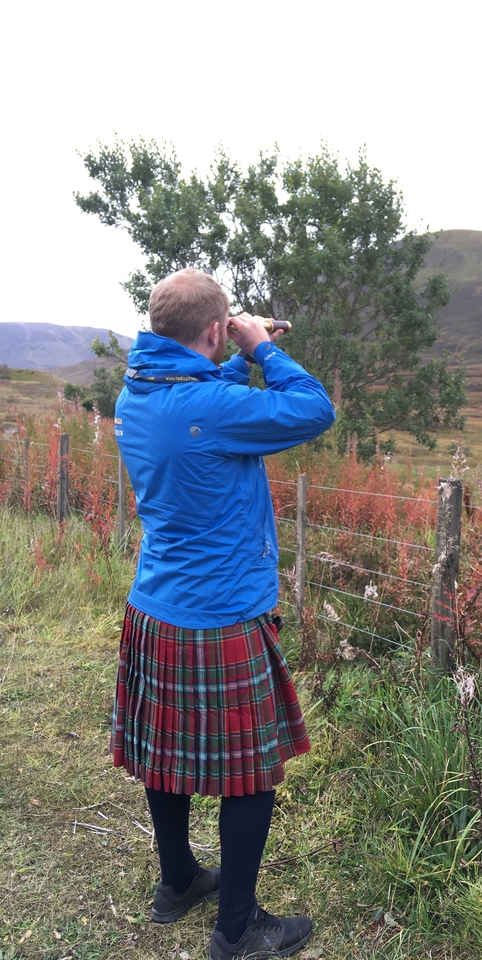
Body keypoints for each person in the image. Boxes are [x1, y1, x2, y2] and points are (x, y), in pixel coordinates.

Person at [110, 267, 335, 960]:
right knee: (250, 773)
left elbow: (208, 401)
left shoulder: (142, 389)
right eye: (226, 327)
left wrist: (236, 350)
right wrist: (264, 350)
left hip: (156, 608)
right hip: (220, 616)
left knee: (165, 759)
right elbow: (313, 407)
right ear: (211, 330)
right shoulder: (205, 406)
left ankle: (177, 880)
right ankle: (238, 930)